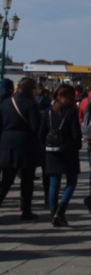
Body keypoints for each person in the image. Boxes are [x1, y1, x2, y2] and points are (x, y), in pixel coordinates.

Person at [0, 78, 42, 220]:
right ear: (31, 89)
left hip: (6, 142)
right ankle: (26, 210)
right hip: (26, 144)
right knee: (27, 179)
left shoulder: (5, 103)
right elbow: (35, 126)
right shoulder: (31, 104)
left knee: (7, 179)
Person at [41, 84, 82, 226]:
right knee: (71, 181)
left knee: (54, 182)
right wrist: (77, 146)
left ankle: (53, 212)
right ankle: (61, 210)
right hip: (68, 150)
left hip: (51, 151)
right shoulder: (71, 112)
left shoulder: (47, 112)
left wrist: (45, 146)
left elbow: (41, 133)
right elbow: (76, 134)